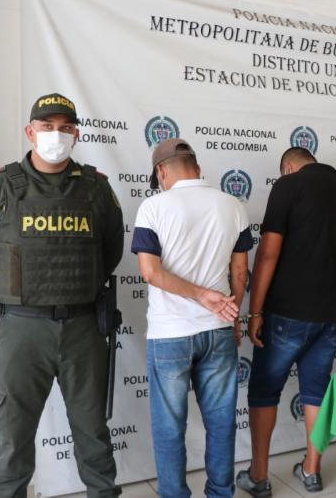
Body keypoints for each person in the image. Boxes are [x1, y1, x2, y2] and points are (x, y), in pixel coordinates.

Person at [0, 93, 124, 498]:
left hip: (83, 327)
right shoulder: (0, 186)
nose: (57, 134)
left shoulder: (97, 188)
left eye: (65, 127)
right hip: (21, 329)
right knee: (12, 437)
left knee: (93, 433)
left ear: (76, 133)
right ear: (30, 132)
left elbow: (110, 252)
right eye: (47, 126)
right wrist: (12, 290)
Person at [236, 147, 336, 496]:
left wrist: (254, 311)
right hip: (333, 316)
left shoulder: (288, 186)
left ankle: (259, 476)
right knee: (316, 391)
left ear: (287, 167)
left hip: (286, 313)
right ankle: (311, 471)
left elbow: (267, 253)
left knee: (265, 390)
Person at [132, 138, 250, 498]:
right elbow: (241, 273)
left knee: (170, 429)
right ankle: (220, 494)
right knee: (221, 425)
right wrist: (230, 313)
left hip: (170, 333)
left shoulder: (153, 206)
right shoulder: (233, 206)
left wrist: (200, 296)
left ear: (161, 172)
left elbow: (150, 273)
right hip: (217, 332)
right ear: (197, 168)